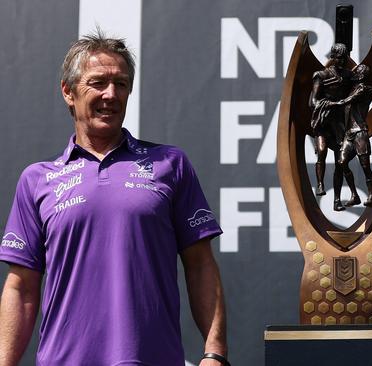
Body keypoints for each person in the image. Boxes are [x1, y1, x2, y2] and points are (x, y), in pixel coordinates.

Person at [0, 31, 228, 366]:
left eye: (121, 84)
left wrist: (215, 353)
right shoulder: (37, 180)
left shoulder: (169, 164)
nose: (111, 94)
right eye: (98, 82)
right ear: (69, 91)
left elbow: (200, 265)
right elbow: (21, 289)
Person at [309, 43, 359, 210]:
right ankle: (320, 184)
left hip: (339, 124)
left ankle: (337, 200)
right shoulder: (321, 75)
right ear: (332, 58)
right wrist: (330, 103)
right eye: (338, 58)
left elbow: (358, 86)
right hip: (324, 121)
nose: (342, 61)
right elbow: (313, 101)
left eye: (344, 58)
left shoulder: (348, 76)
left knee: (340, 162)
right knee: (322, 151)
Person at [333, 64, 372, 209]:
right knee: (341, 162)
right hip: (349, 133)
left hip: (360, 133)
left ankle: (371, 196)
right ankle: (354, 195)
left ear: (362, 75)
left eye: (357, 72)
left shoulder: (365, 89)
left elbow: (348, 100)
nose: (355, 73)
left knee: (365, 166)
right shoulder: (352, 88)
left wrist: (331, 103)